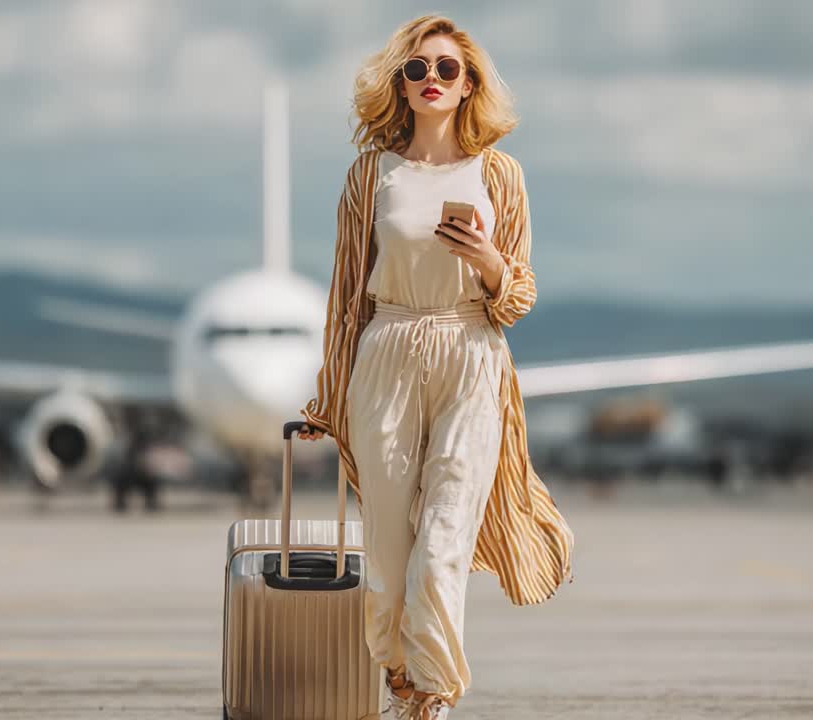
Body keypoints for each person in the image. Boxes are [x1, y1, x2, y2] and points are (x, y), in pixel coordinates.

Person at [297, 14, 575, 720]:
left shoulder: (501, 176)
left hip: (471, 352)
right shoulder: (370, 175)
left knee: (446, 538)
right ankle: (399, 674)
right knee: (388, 550)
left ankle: (435, 693)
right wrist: (326, 401)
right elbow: (343, 298)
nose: (430, 80)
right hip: (385, 353)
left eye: (446, 69)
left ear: (469, 83)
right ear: (400, 84)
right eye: (416, 70)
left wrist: (488, 263)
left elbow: (518, 299)